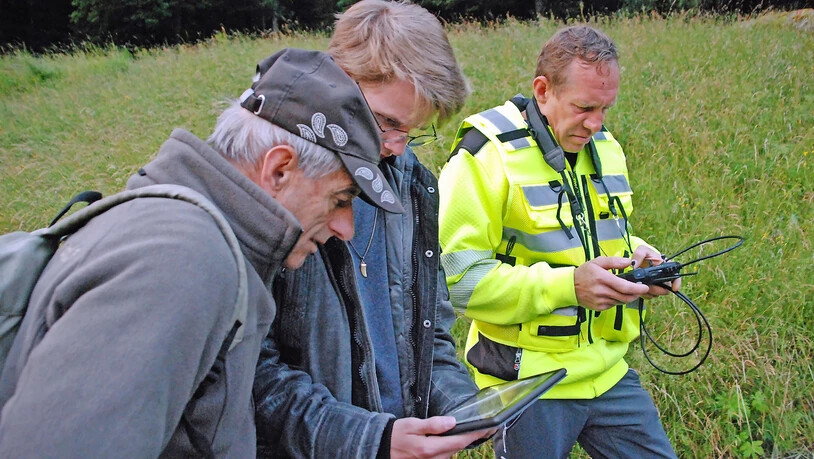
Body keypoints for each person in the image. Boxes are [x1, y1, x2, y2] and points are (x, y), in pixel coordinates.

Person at [0, 48, 395, 457]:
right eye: (340, 198)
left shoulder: (205, 242)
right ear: (279, 169)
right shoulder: (181, 260)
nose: (345, 227)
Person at [253, 1, 489, 457]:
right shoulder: (280, 183)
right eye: (384, 121)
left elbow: (430, 334)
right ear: (334, 80)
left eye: (410, 132)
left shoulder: (414, 184)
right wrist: (369, 440)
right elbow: (251, 374)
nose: (392, 147)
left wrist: (459, 407)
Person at [437, 25, 680, 458]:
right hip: (527, 381)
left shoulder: (604, 145)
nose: (597, 123)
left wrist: (639, 258)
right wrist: (569, 286)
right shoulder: (484, 154)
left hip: (607, 371)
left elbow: (593, 234)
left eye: (606, 107)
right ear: (543, 90)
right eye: (585, 107)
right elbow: (458, 282)